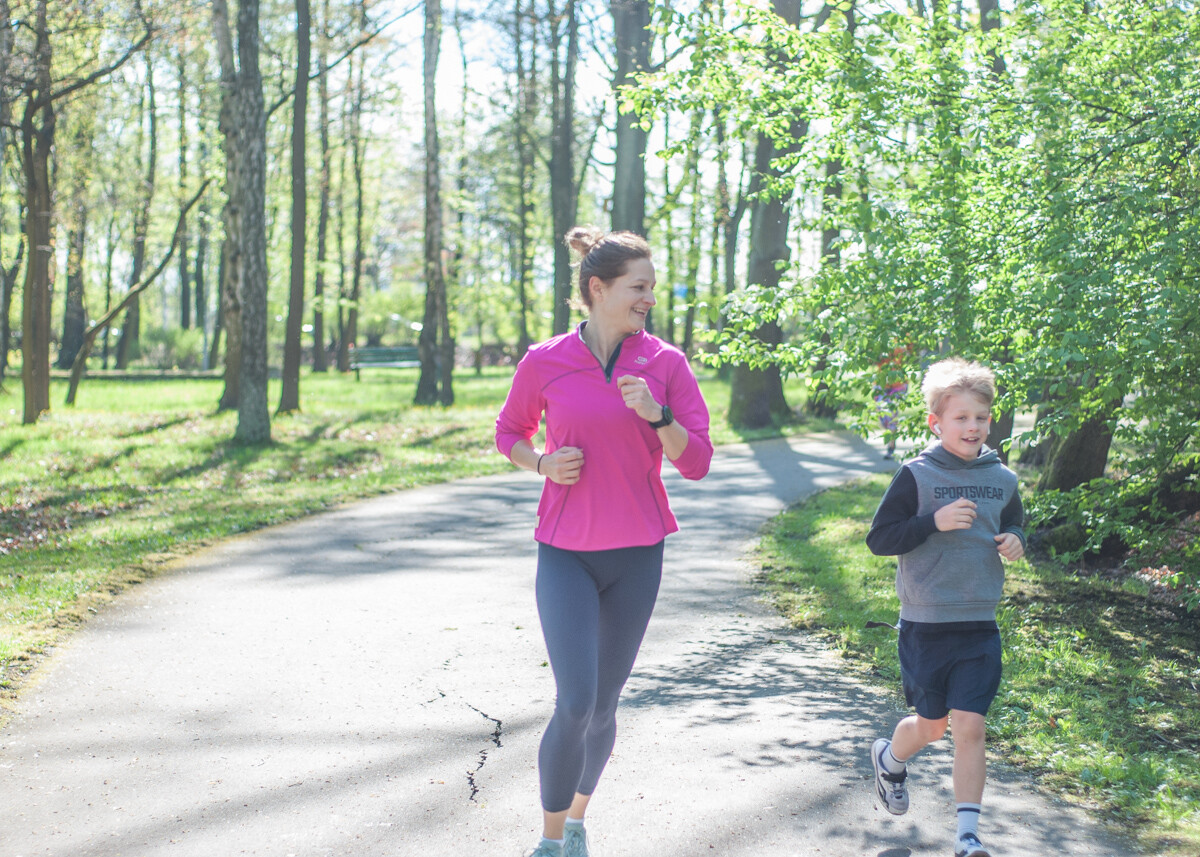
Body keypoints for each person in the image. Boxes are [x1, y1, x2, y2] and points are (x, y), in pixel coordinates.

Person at [495, 227, 714, 857]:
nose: (649, 298)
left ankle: (578, 820)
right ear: (599, 289)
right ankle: (549, 840)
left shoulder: (666, 365)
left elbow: (696, 462)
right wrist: (539, 463)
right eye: (638, 287)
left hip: (638, 553)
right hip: (565, 551)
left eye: (651, 287)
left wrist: (658, 417)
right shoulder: (546, 359)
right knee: (575, 701)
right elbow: (509, 431)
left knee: (604, 704)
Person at [864, 358, 1025, 857]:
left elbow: (1016, 520)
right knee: (932, 727)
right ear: (936, 423)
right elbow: (880, 539)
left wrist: (1017, 539)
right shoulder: (916, 475)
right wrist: (933, 521)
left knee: (970, 726)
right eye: (961, 418)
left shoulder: (1003, 478)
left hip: (979, 625)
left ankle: (968, 836)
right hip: (926, 625)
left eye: (980, 417)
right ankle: (891, 758)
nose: (973, 426)